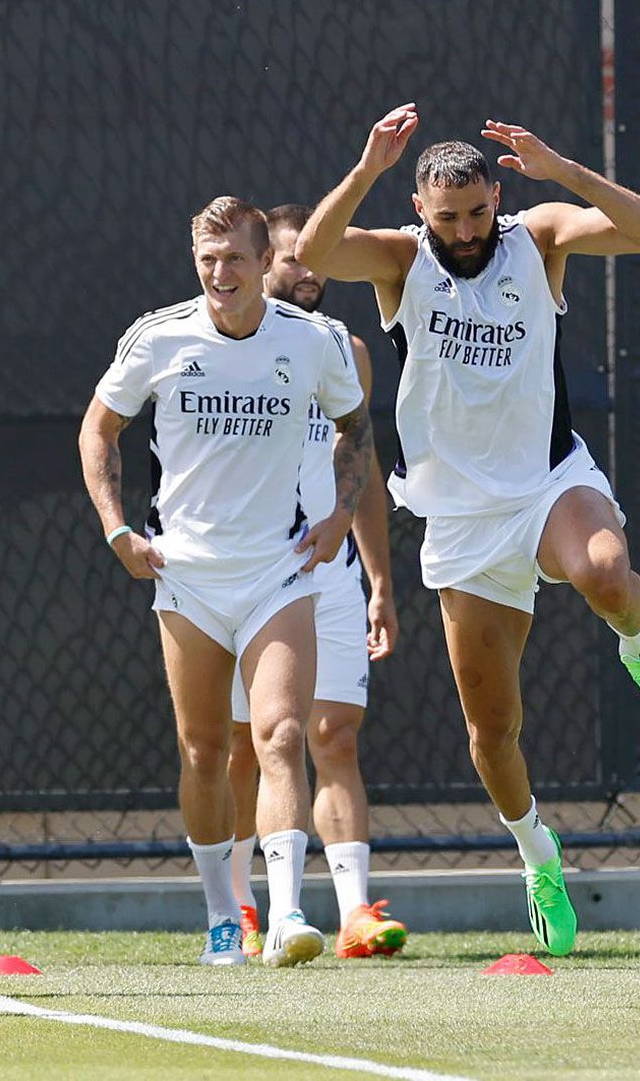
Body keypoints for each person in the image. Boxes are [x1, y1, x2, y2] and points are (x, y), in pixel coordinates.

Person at [298, 106, 640, 958]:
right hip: (461, 521)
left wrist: (566, 171)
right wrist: (366, 169)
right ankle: (538, 855)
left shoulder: (536, 238)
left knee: (605, 574)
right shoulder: (401, 261)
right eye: (448, 217)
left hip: (549, 482)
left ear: (497, 199)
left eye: (478, 212)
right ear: (420, 210)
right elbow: (313, 253)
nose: (467, 231)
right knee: (492, 733)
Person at [80, 197, 372, 967]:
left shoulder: (311, 341)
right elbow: (99, 428)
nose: (220, 274)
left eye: (235, 258)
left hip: (280, 571)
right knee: (205, 750)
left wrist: (341, 513)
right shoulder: (158, 336)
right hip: (188, 578)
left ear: (264, 262)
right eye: (208, 260)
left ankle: (288, 914)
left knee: (282, 734)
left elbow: (355, 423)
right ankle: (220, 917)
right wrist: (116, 527)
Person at [224, 203, 406, 960]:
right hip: (246, 574)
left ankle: (356, 913)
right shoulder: (223, 343)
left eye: (318, 258)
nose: (309, 271)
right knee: (249, 746)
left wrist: (379, 581)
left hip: (327, 573)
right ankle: (241, 908)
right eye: (294, 257)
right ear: (264, 264)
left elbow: (359, 469)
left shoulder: (344, 349)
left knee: (334, 736)